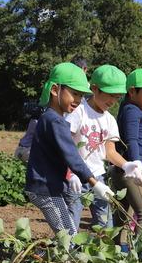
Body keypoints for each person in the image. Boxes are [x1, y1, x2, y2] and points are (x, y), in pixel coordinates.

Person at [24, 62, 113, 238]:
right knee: (68, 235)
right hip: (44, 189)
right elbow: (71, 154)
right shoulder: (54, 121)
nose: (78, 100)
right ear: (55, 90)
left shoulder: (52, 118)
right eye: (74, 94)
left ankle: (43, 257)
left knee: (66, 233)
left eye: (81, 96)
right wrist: (95, 183)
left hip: (49, 187)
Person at [64, 65, 142, 231]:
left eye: (117, 97)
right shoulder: (79, 111)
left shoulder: (109, 119)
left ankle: (102, 255)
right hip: (76, 177)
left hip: (98, 178)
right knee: (71, 223)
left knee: (105, 225)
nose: (112, 101)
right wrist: (69, 172)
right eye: (110, 95)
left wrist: (126, 164)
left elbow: (110, 152)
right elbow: (65, 144)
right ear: (95, 89)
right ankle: (67, 253)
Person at [113, 68, 142, 250]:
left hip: (128, 170)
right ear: (132, 91)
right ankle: (141, 255)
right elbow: (131, 139)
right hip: (131, 172)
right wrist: (137, 163)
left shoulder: (134, 109)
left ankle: (119, 252)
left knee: (124, 216)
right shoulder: (132, 110)